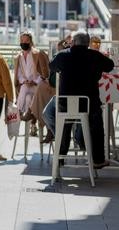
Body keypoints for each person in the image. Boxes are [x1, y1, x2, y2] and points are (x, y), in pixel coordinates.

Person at [49, 31, 115, 168]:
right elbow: (110, 66)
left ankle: (60, 158)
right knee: (97, 125)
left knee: (64, 126)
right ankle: (98, 160)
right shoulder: (95, 55)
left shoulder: (62, 56)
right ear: (88, 43)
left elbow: (52, 66)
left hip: (66, 104)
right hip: (89, 104)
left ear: (73, 42)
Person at [14, 31, 50, 136]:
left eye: (26, 41)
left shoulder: (37, 54)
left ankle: (18, 111)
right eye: (22, 41)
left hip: (37, 87)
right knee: (28, 97)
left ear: (30, 42)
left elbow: (44, 73)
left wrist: (35, 81)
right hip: (26, 86)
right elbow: (19, 74)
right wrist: (24, 81)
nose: (23, 43)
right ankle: (33, 125)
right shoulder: (18, 57)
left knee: (27, 91)